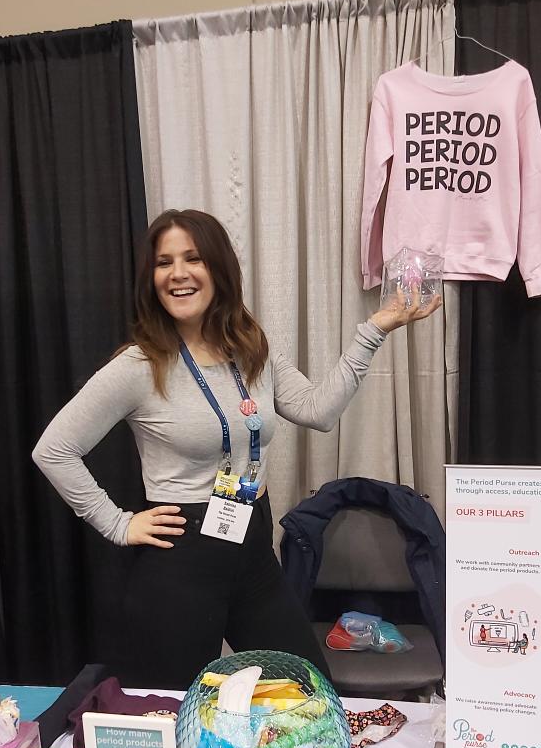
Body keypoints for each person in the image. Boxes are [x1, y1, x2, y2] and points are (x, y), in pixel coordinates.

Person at [33, 209, 441, 689]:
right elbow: (54, 450)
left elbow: (318, 411)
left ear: (219, 269)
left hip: (251, 544)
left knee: (305, 693)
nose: (178, 274)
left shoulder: (251, 348)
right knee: (175, 711)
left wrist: (373, 330)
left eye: (194, 258)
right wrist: (118, 523)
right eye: (164, 263)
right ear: (151, 278)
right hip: (181, 558)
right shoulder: (140, 365)